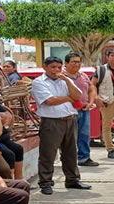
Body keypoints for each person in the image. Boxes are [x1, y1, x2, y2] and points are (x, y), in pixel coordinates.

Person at [31, 57, 92, 195]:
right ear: (45, 67)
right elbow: (50, 100)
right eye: (53, 67)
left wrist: (66, 80)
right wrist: (68, 98)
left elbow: (78, 96)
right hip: (52, 121)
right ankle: (46, 182)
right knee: (48, 153)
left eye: (59, 67)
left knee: (70, 152)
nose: (56, 70)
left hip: (70, 119)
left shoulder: (65, 80)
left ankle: (72, 179)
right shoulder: (39, 82)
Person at [64, 52, 99, 167]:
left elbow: (91, 88)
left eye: (78, 62)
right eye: (73, 62)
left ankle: (84, 158)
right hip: (68, 111)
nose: (76, 64)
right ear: (66, 63)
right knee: (69, 136)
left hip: (84, 110)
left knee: (84, 134)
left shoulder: (83, 76)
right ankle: (68, 159)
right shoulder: (61, 77)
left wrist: (91, 102)